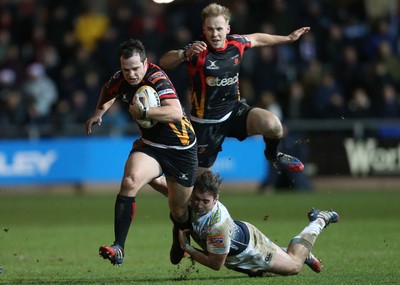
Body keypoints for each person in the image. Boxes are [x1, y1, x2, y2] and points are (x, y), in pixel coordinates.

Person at [159, 3, 309, 179]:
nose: (215, 34)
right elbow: (164, 62)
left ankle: (273, 155)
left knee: (274, 125)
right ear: (204, 30)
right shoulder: (197, 51)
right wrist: (183, 54)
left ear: (227, 28)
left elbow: (258, 38)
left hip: (235, 111)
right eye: (210, 29)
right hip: (205, 123)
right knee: (200, 183)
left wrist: (288, 38)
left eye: (219, 29)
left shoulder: (236, 43)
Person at [85, 39, 198, 266]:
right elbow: (108, 92)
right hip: (150, 145)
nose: (131, 74)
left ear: (145, 63)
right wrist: (99, 113)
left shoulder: (157, 78)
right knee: (130, 181)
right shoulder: (121, 79)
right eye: (126, 70)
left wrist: (146, 111)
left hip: (180, 149)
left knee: (179, 211)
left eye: (136, 68)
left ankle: (180, 238)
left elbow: (175, 113)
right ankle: (119, 247)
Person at [178, 171, 339, 277]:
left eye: (205, 201)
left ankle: (319, 220)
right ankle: (303, 255)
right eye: (196, 198)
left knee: (294, 266)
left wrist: (188, 248)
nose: (199, 205)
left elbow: (215, 264)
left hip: (253, 248)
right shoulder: (190, 201)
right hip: (234, 245)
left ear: (216, 199)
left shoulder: (218, 226)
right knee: (255, 272)